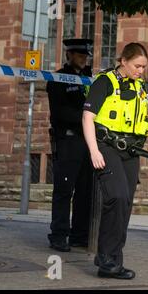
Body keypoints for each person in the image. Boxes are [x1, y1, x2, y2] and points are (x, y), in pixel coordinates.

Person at [83, 42, 148, 279]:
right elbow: (87, 118)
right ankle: (106, 258)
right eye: (137, 65)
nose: (141, 70)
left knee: (124, 205)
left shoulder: (141, 88)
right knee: (117, 196)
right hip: (106, 145)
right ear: (123, 61)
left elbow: (140, 124)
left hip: (131, 149)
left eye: (144, 67)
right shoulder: (105, 82)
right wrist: (94, 151)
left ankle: (111, 259)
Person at [47, 38, 94, 252]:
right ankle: (59, 235)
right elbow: (58, 112)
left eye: (85, 55)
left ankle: (79, 235)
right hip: (68, 139)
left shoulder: (89, 78)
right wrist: (85, 118)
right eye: (79, 55)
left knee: (85, 190)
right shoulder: (58, 78)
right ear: (69, 55)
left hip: (87, 141)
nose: (84, 58)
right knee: (64, 189)